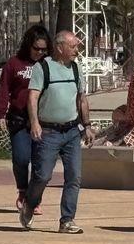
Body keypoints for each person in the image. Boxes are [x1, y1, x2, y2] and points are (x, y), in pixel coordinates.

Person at [20, 31, 92, 233]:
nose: (76, 51)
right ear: (60, 47)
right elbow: (32, 97)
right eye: (73, 47)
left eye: (77, 47)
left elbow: (81, 98)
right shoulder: (42, 68)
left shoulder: (76, 69)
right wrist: (35, 123)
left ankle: (67, 220)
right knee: (42, 176)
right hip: (49, 132)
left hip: (71, 131)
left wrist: (87, 125)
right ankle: (30, 203)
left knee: (74, 177)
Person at [0, 25, 52, 213]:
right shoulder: (14, 64)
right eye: (36, 48)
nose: (40, 53)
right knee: (21, 158)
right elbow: (4, 90)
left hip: (43, 120)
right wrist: (0, 114)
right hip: (19, 119)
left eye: (44, 49)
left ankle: (34, 199)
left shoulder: (49, 65)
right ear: (28, 45)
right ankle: (23, 190)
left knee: (40, 163)